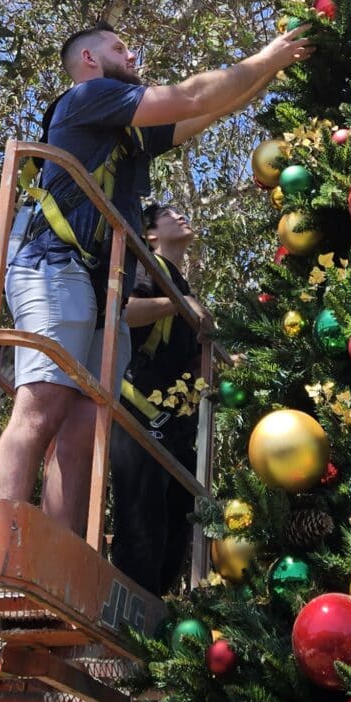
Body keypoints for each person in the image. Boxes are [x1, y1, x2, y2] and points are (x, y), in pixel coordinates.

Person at [0, 24, 309, 534]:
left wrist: (270, 69)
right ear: (89, 59)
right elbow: (191, 94)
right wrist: (266, 54)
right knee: (41, 407)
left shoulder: (125, 128)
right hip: (53, 265)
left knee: (83, 427)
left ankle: (56, 559)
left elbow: (207, 110)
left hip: (97, 286)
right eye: (119, 47)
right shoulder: (89, 96)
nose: (131, 52)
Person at [109, 202, 206, 595]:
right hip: (140, 410)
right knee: (142, 519)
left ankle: (153, 612)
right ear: (150, 234)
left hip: (177, 425)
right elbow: (125, 312)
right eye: (170, 214)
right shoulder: (149, 270)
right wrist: (178, 306)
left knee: (177, 526)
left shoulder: (182, 284)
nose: (182, 216)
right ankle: (129, 613)